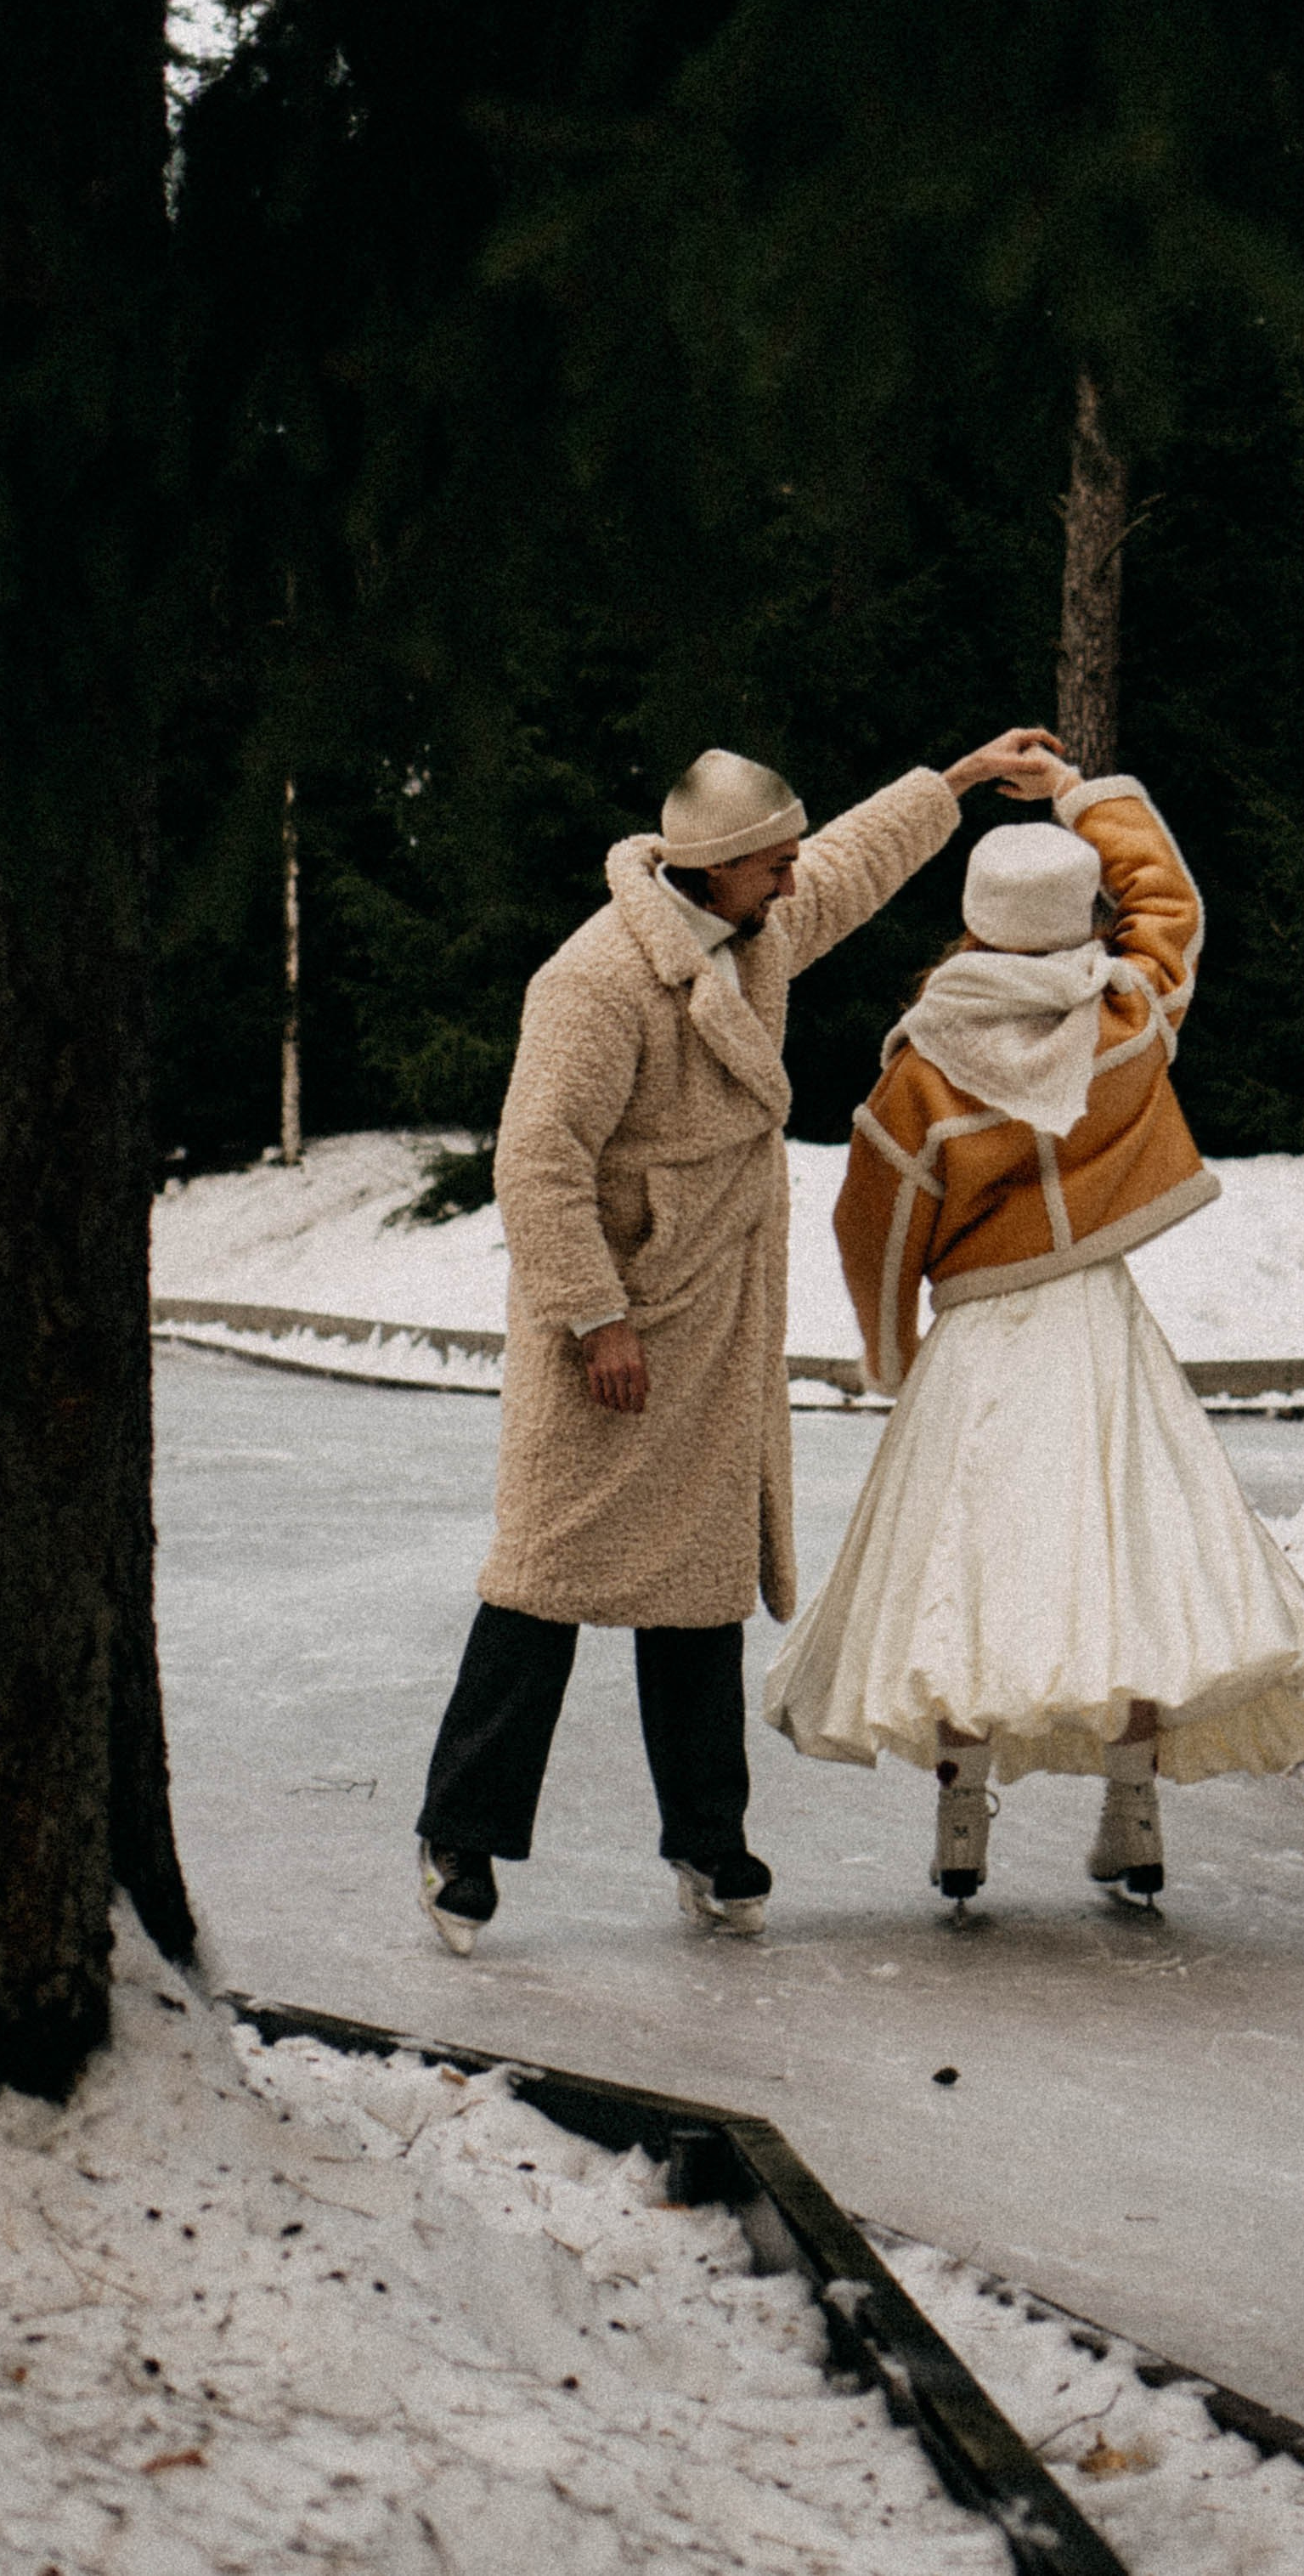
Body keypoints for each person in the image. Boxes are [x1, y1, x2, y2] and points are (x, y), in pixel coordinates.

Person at [415, 726, 1064, 1955]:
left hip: (712, 1323)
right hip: (610, 1333)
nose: (794, 876)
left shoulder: (752, 929)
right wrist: (597, 1315)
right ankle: (461, 1838)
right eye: (775, 861)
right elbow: (537, 1161)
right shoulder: (595, 981)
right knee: (543, 1588)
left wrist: (962, 780)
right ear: (716, 867)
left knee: (699, 1598)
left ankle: (710, 1844)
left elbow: (857, 862)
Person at [762, 760, 1304, 1909]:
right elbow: (1170, 904)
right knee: (1122, 1560)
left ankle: (961, 1815)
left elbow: (872, 1224)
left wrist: (891, 1351)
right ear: (1080, 916)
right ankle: (1133, 1810)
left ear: (975, 920)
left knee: (971, 1569)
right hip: (1097, 1321)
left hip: (980, 1337)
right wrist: (1081, 791)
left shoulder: (922, 1069)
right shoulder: (1125, 1018)